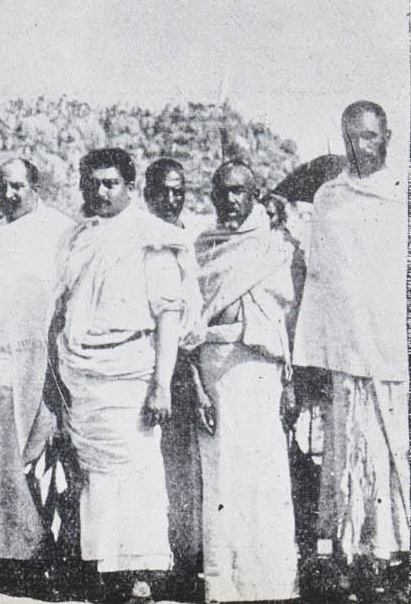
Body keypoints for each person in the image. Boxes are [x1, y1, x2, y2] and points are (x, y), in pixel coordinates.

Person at [52, 148, 200, 601]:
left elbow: (168, 316)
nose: (100, 192)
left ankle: (141, 576)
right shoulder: (80, 239)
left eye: (111, 183)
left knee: (137, 470)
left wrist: (161, 385)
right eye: (93, 183)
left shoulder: (148, 237)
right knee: (97, 474)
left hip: (130, 371)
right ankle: (106, 570)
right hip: (84, 372)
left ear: (130, 187)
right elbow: (63, 307)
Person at [292, 101, 409, 594]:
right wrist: (312, 357)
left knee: (391, 452)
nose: (358, 147)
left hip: (391, 355)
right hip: (342, 356)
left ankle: (394, 556)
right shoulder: (328, 198)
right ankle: (349, 556)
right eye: (349, 136)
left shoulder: (400, 198)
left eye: (367, 136)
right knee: (343, 459)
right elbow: (318, 281)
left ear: (386, 138)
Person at [189, 160, 302, 603]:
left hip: (261, 371)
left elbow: (287, 320)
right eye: (222, 192)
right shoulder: (201, 246)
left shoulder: (276, 247)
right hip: (214, 367)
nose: (230, 201)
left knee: (265, 474)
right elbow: (188, 321)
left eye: (240, 191)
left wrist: (290, 381)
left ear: (254, 194)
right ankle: (223, 583)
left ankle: (272, 583)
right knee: (219, 477)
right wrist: (196, 380)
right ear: (212, 195)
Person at [0, 159, 73, 577]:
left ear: (35, 186)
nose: (10, 195)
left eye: (18, 187)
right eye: (3, 186)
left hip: (37, 357)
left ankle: (38, 551)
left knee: (34, 450)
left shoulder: (60, 230)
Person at [143, 158, 202, 591]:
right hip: (143, 365)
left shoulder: (189, 238)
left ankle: (182, 561)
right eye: (162, 190)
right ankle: (151, 563)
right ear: (146, 192)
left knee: (182, 468)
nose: (170, 198)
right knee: (148, 466)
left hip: (184, 369)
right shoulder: (140, 236)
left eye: (178, 190)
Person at [143, 158, 187, 226]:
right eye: (162, 193)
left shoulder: (193, 233)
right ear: (147, 195)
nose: (170, 200)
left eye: (177, 192)